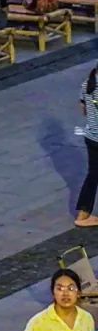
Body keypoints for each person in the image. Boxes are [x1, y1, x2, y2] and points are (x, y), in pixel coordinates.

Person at [74, 66, 98, 228]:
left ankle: (83, 214)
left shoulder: (87, 84)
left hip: (91, 136)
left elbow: (84, 110)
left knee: (93, 175)